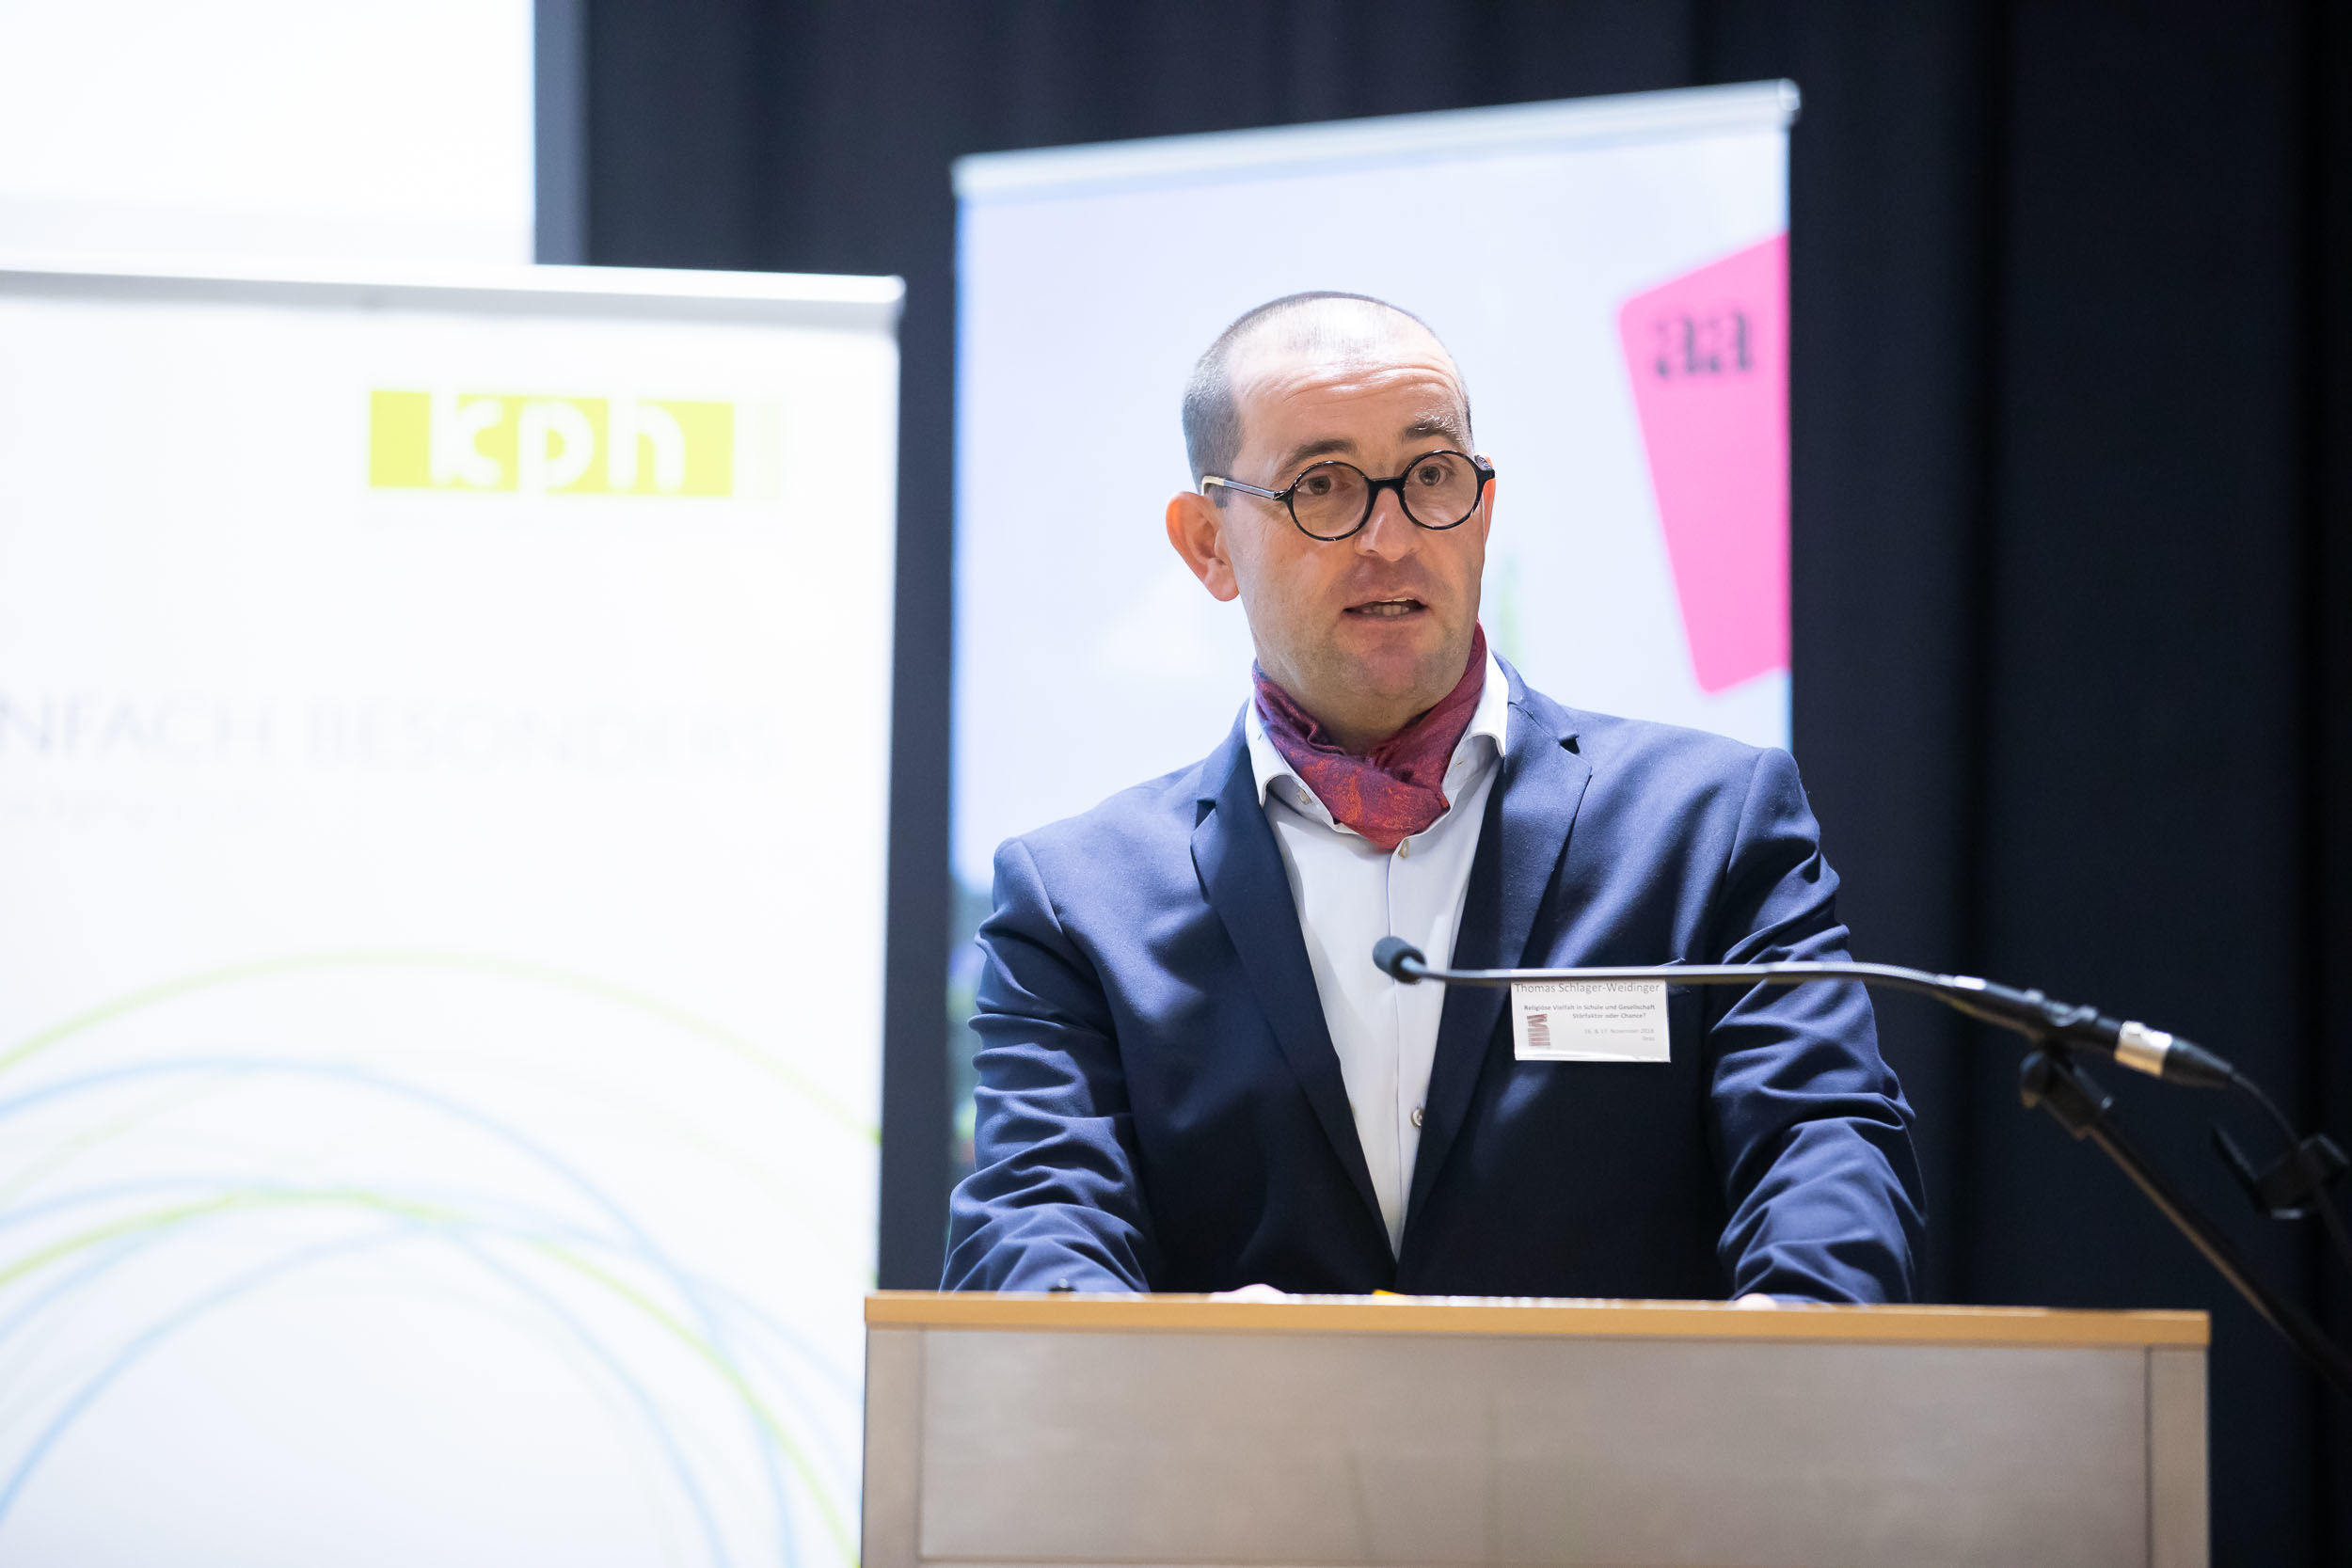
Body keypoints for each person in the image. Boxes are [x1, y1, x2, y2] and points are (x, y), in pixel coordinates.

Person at [943, 292, 1925, 1302]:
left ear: (1483, 511)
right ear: (1208, 544)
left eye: (1431, 475)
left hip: (1638, 1415)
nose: (1391, 536)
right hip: (1245, 1416)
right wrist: (1202, 1366)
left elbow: (1826, 1152)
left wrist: (1781, 1345)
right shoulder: (1078, 905)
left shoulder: (1706, 828)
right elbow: (1033, 1231)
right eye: (1323, 487)